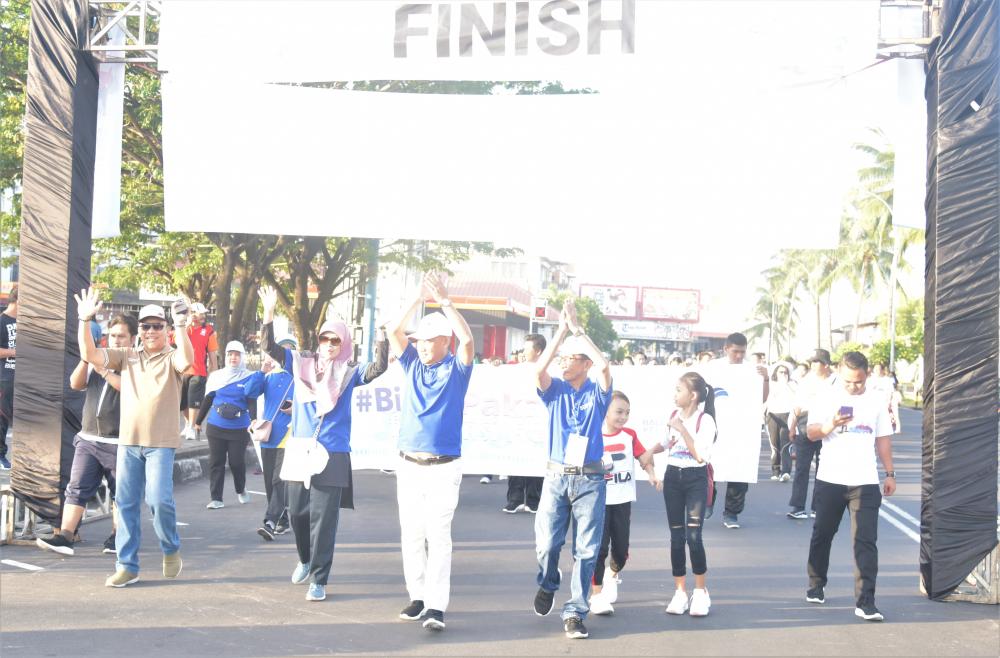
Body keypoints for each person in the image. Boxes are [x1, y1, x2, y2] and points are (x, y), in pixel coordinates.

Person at [260, 286, 389, 603]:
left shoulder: (350, 372)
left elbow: (378, 368)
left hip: (333, 453)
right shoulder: (300, 362)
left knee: (324, 519)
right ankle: (305, 559)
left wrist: (382, 336)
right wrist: (269, 312)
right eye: (325, 339)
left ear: (344, 344)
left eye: (336, 340)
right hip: (299, 450)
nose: (330, 345)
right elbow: (269, 347)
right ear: (318, 341)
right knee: (297, 513)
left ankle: (319, 578)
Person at [75, 287, 193, 588]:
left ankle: (171, 548)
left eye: (157, 326)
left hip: (160, 445)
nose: (151, 331)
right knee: (125, 504)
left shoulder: (172, 356)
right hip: (128, 443)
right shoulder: (127, 356)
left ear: (165, 329)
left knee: (158, 500)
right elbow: (90, 355)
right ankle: (127, 566)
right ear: (139, 329)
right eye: (146, 326)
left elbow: (187, 361)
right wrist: (84, 320)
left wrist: (181, 325)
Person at [386, 273, 474, 632]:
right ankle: (418, 597)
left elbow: (468, 340)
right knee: (411, 532)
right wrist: (417, 297)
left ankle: (437, 606)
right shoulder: (411, 364)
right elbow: (393, 331)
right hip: (408, 463)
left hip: (443, 466)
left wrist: (445, 302)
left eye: (429, 340)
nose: (421, 346)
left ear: (444, 342)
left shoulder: (457, 369)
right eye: (419, 340)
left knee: (438, 536)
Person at [531, 300, 612, 640]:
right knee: (548, 545)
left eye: (571, 358)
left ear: (586, 363)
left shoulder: (598, 392)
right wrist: (562, 332)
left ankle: (575, 611)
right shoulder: (555, 390)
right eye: (562, 359)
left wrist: (579, 331)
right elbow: (538, 370)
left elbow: (605, 366)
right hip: (556, 477)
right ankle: (549, 581)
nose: (563, 363)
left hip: (590, 479)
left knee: (587, 550)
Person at [804, 351, 895, 622]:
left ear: (867, 375)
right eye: (848, 381)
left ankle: (866, 601)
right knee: (823, 534)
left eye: (858, 381)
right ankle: (816, 583)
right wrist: (831, 423)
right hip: (830, 478)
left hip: (865, 480)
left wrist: (889, 473)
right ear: (838, 372)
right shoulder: (825, 395)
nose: (853, 386)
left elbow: (883, 439)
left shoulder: (877, 399)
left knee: (865, 541)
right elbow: (811, 433)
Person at [36, 313, 137, 556]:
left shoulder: (136, 361)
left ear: (132, 339)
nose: (116, 340)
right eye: (112, 335)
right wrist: (86, 361)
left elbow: (126, 388)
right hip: (89, 437)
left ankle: (118, 537)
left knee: (121, 493)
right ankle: (65, 536)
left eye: (121, 336)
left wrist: (103, 370)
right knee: (76, 488)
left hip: (120, 440)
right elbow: (75, 383)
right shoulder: (98, 358)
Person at [640, 372, 718, 616]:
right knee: (676, 537)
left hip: (696, 478)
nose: (674, 395)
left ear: (692, 395)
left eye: (678, 390)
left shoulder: (705, 420)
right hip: (673, 477)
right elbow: (665, 443)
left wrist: (683, 429)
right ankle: (680, 592)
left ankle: (701, 592)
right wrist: (649, 451)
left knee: (694, 536)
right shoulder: (674, 415)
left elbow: (700, 456)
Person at [588, 390, 658, 616]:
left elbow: (643, 457)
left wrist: (651, 473)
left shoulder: (629, 435)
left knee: (621, 551)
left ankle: (613, 574)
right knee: (598, 549)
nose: (623, 417)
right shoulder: (592, 434)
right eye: (619, 412)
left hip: (622, 501)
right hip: (598, 501)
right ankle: (596, 595)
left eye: (627, 413)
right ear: (605, 411)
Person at [707, 332, 768, 529]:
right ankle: (707, 502)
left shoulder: (753, 370)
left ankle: (731, 513)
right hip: (715, 425)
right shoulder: (713, 368)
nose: (739, 356)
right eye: (735, 351)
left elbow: (762, 398)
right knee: (709, 467)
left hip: (743, 428)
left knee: (739, 470)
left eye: (743, 352)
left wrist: (766, 379)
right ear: (726, 349)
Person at [195, 341, 265, 509]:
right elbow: (208, 399)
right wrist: (197, 422)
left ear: (242, 357)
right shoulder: (216, 376)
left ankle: (240, 489)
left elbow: (251, 401)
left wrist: (254, 419)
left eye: (237, 354)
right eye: (230, 354)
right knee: (216, 462)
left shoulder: (249, 376)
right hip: (215, 426)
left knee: (236, 463)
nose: (233, 357)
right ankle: (216, 499)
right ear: (226, 356)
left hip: (239, 428)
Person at [787, 349, 837, 520]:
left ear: (826, 364)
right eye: (812, 362)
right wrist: (792, 427)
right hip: (805, 423)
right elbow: (797, 406)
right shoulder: (807, 381)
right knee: (802, 468)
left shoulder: (837, 381)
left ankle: (818, 507)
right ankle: (798, 507)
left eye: (817, 362)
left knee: (823, 469)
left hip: (828, 425)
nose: (813, 366)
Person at [503, 333, 547, 514]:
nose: (524, 351)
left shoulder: (548, 369)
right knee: (516, 458)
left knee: (537, 460)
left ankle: (533, 500)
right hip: (519, 422)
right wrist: (495, 365)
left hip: (539, 422)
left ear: (538, 351)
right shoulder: (516, 369)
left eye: (528, 348)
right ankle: (514, 499)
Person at [255, 346, 295, 541]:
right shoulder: (269, 377)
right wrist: (262, 371)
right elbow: (250, 392)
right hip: (268, 436)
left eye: (289, 350)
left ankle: (270, 522)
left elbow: (313, 404)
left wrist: (296, 408)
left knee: (279, 480)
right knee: (270, 483)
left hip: (289, 435)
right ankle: (283, 520)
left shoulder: (300, 378)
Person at [181, 302, 218, 440]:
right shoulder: (184, 329)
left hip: (199, 372)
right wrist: (186, 324)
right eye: (199, 313)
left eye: (203, 313)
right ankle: (187, 424)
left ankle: (191, 427)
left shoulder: (208, 331)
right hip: (182, 371)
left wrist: (213, 372)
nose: (203, 316)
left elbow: (212, 353)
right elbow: (176, 340)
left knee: (193, 402)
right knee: (183, 403)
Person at [765, 362, 797, 482]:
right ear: (776, 373)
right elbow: (766, 398)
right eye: (781, 372)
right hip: (773, 415)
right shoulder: (771, 384)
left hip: (787, 415)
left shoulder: (792, 384)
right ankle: (775, 471)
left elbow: (797, 397)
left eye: (785, 372)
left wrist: (786, 384)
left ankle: (786, 472)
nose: (783, 374)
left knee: (786, 445)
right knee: (774, 445)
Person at [0, 283, 16, 470]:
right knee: (2, 418)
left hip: (24, 377)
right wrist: (15, 352)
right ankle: (0, 455)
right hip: (5, 377)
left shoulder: (25, 322)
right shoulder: (2, 321)